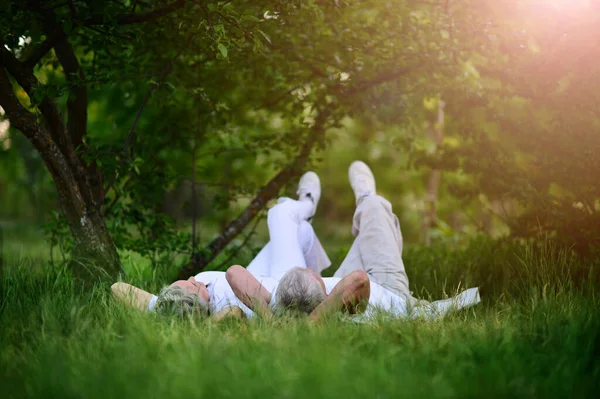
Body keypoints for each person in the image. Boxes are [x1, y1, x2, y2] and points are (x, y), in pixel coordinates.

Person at [226, 161, 481, 320]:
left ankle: (314, 206)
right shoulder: (345, 312)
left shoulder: (277, 310)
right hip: (388, 288)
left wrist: (270, 319)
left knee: (297, 224)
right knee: (375, 209)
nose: (312, 270)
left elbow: (234, 273)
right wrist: (317, 321)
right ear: (325, 293)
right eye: (312, 273)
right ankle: (365, 197)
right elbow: (358, 280)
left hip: (317, 292)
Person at [110, 171, 333, 320]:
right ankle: (308, 204)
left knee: (302, 231)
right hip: (275, 289)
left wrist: (156, 308)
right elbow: (233, 311)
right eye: (195, 287)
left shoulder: (174, 304)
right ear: (200, 306)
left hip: (255, 276)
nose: (194, 279)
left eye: (188, 281)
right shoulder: (222, 310)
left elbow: (116, 288)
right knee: (281, 213)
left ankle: (319, 288)